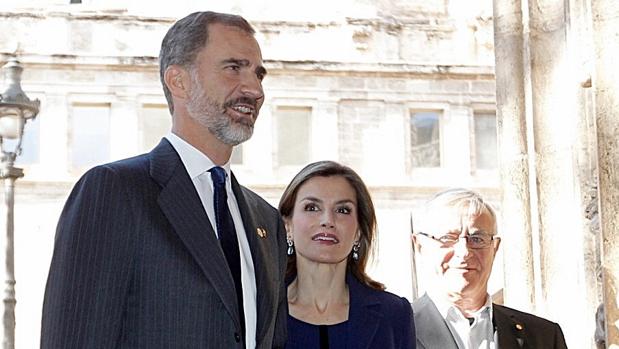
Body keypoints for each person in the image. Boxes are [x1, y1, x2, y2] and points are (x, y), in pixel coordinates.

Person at [41, 11, 287, 348]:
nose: (255, 89)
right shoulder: (114, 191)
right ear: (179, 81)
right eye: (234, 68)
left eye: (259, 74)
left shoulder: (266, 220)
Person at [278, 161, 415, 348]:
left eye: (342, 210)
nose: (328, 220)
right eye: (312, 208)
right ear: (288, 226)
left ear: (358, 231)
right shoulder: (261, 312)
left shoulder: (394, 314)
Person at [411, 188, 567, 349]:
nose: (464, 252)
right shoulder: (396, 331)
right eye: (448, 238)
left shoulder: (543, 336)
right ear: (420, 246)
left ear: (495, 247)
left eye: (477, 239)